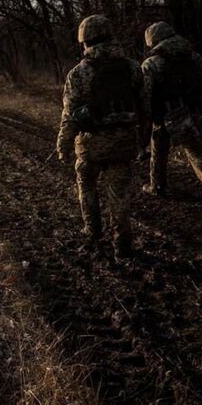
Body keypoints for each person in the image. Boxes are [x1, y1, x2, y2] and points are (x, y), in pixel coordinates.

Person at [56, 14, 149, 259]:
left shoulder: (78, 73)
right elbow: (144, 106)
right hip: (124, 143)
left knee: (87, 187)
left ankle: (93, 231)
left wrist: (63, 145)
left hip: (90, 145)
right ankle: (123, 244)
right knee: (119, 195)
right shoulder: (133, 67)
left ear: (84, 40)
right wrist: (143, 139)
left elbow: (69, 115)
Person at [141, 21, 202, 213]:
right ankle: (157, 185)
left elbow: (145, 96)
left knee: (183, 151)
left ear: (154, 41)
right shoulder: (194, 57)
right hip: (194, 111)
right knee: (183, 148)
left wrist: (146, 119)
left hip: (168, 114)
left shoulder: (151, 64)